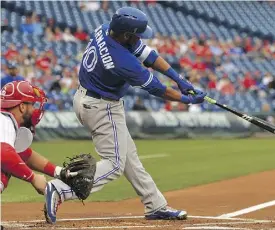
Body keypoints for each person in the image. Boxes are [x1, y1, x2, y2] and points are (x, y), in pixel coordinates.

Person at [44, 7, 206, 224]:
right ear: (126, 35)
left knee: (130, 157)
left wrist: (179, 79)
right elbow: (157, 89)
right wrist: (186, 99)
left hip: (87, 98)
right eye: (137, 34)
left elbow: (148, 55)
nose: (139, 37)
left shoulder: (105, 29)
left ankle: (155, 204)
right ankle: (61, 189)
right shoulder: (121, 60)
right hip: (102, 107)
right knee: (114, 164)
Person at [1, 81, 68, 195]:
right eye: (32, 105)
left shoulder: (5, 120)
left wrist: (60, 172)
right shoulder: (4, 121)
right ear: (22, 106)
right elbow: (4, 153)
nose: (34, 110)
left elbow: (22, 154)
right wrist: (33, 178)